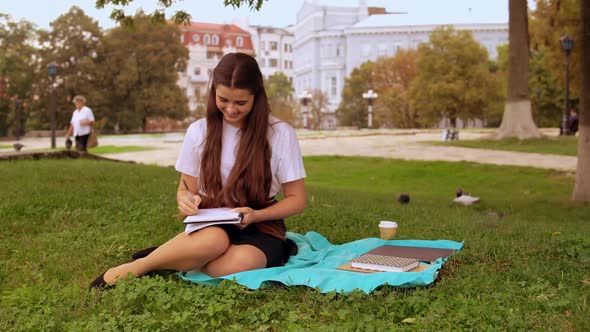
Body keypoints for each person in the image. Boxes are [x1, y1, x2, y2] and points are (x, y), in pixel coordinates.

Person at [91, 53, 307, 288]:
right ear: (213, 91)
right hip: (213, 219)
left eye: (241, 103)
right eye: (223, 99)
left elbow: (297, 199)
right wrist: (185, 200)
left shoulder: (280, 134)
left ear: (257, 96)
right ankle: (141, 266)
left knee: (236, 264)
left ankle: (176, 255)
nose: (231, 109)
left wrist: (255, 215)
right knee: (213, 242)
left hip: (261, 222)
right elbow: (186, 189)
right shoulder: (199, 131)